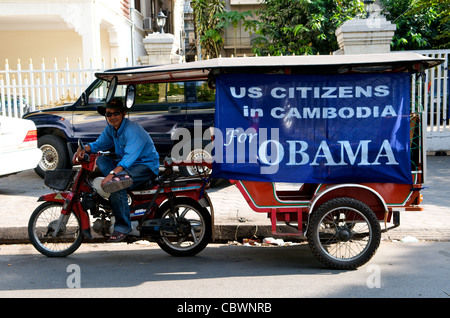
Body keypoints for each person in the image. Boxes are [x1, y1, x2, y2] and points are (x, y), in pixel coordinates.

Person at [76, 99, 159, 242]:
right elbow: (98, 144)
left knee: (116, 184)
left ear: (123, 114)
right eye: (109, 114)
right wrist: (84, 149)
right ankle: (114, 202)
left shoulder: (132, 130)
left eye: (116, 113)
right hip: (129, 165)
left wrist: (112, 175)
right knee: (101, 160)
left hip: (144, 167)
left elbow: (129, 159)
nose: (112, 117)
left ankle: (123, 227)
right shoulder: (111, 129)